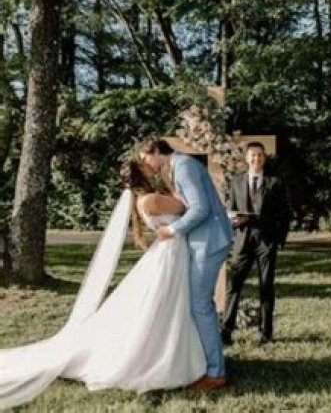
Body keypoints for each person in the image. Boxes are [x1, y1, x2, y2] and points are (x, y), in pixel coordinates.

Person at [0, 159, 214, 408]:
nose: (152, 169)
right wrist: (169, 179)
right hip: (171, 254)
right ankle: (160, 358)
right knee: (165, 305)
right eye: (146, 167)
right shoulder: (151, 200)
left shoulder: (144, 199)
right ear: (141, 174)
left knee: (167, 304)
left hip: (171, 252)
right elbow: (185, 206)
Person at [137, 137, 233, 390]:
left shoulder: (184, 166)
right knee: (197, 304)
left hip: (209, 241)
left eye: (145, 158)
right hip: (204, 240)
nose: (145, 163)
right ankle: (204, 363)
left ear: (156, 151)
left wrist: (171, 229)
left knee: (200, 305)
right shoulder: (177, 167)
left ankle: (216, 373)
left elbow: (200, 209)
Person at [222, 142, 291, 346]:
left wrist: (279, 239)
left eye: (260, 155)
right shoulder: (236, 181)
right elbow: (231, 208)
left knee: (266, 286)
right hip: (242, 240)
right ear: (246, 158)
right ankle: (226, 331)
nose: (256, 159)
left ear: (264, 158)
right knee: (234, 285)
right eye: (252, 155)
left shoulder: (275, 182)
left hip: (266, 241)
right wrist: (234, 219)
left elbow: (285, 213)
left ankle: (266, 334)